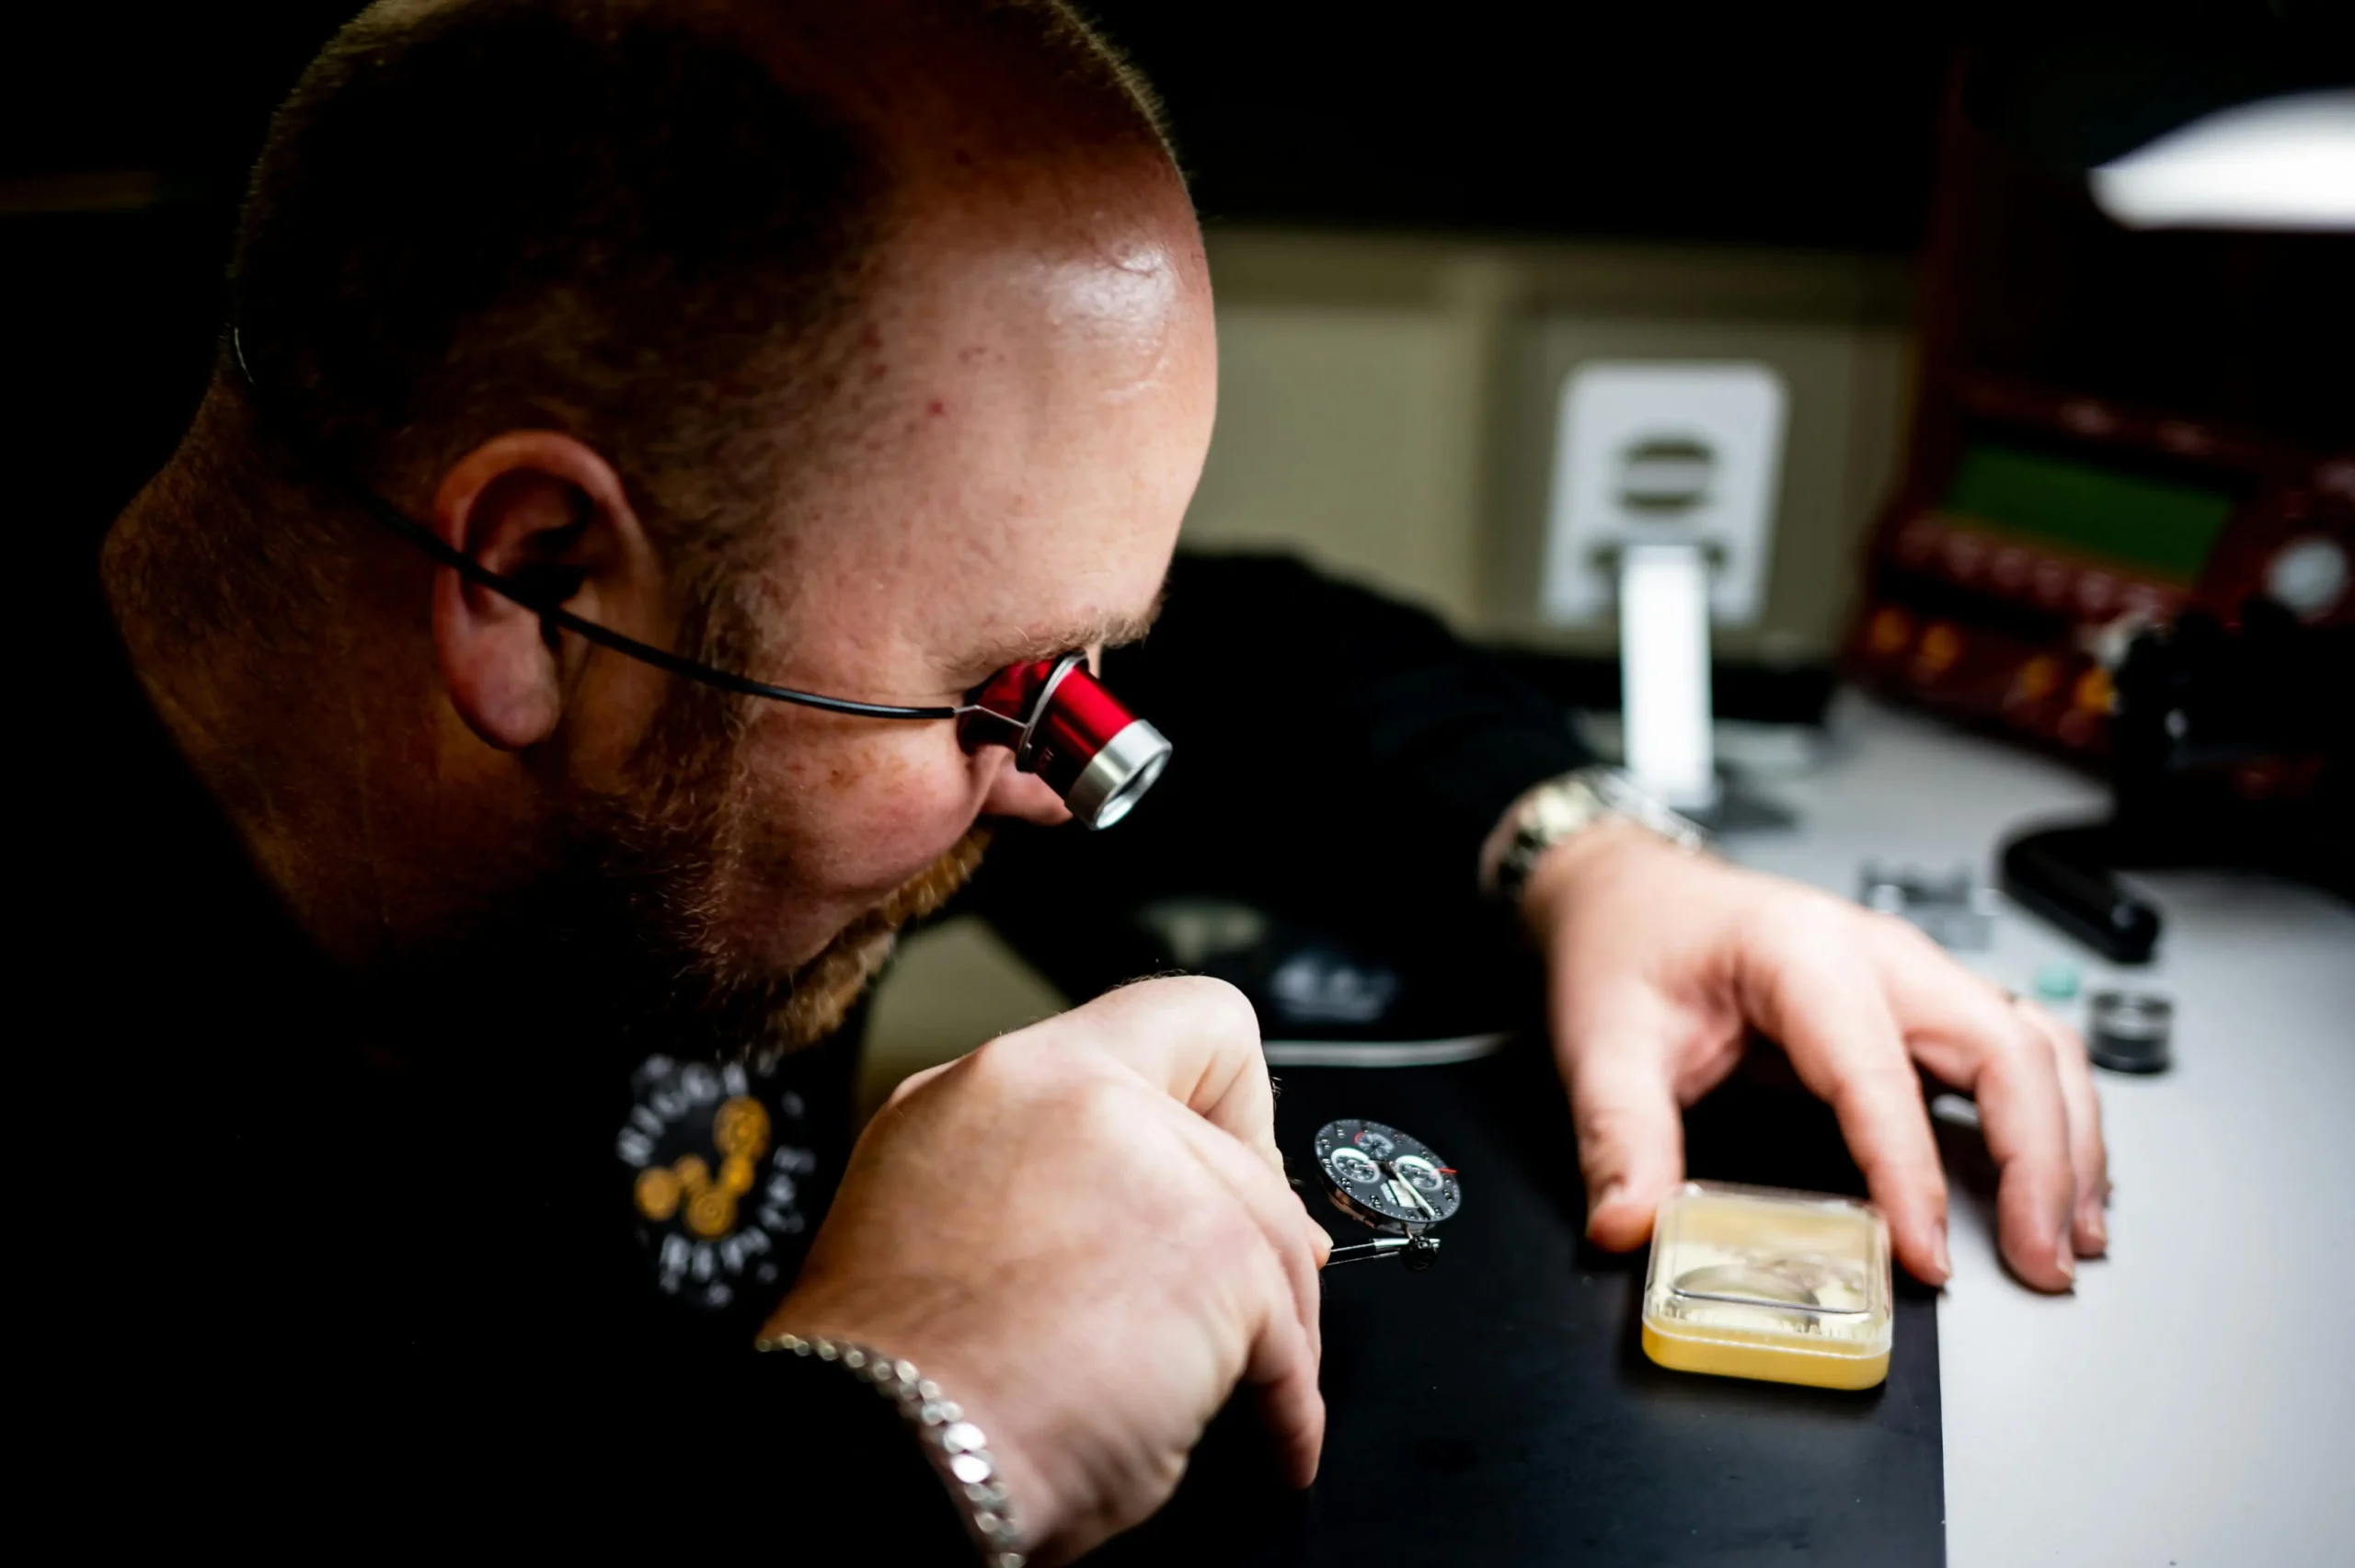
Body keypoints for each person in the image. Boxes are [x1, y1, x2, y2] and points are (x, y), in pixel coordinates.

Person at [75, 0, 2106, 1557]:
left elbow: (1286, 660)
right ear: (531, 586)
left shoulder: (705, 655)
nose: (1065, 784)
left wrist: (1596, 866)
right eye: (1003, 696)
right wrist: (919, 1427)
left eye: (1089, 679)